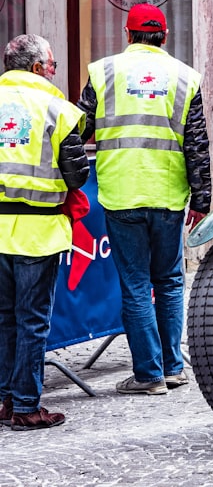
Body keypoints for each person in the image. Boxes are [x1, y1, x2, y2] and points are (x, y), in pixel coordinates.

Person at [77, 3, 212, 395]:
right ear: (164, 37)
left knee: (136, 283)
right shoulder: (185, 77)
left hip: (121, 193)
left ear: (127, 33)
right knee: (170, 280)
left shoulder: (103, 72)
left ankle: (149, 375)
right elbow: (197, 144)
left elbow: (77, 128)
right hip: (168, 194)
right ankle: (173, 368)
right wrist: (202, 197)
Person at [0, 34, 89, 429]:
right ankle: (26, 407)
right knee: (32, 320)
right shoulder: (56, 108)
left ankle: (4, 401)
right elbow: (77, 174)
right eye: (52, 65)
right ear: (37, 68)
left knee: (4, 319)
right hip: (38, 231)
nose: (54, 71)